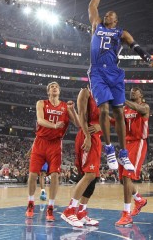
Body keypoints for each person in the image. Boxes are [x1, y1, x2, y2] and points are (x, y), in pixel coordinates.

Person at [88, 0, 153, 171]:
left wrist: (149, 60)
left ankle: (123, 153)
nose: (107, 15)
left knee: (119, 112)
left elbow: (136, 47)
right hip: (97, 72)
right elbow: (92, 6)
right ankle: (109, 149)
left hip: (114, 72)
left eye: (111, 14)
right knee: (104, 109)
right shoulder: (96, 25)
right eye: (106, 14)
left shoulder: (122, 33)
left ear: (116, 20)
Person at [25, 81, 80, 221]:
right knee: (32, 175)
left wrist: (72, 109)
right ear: (48, 92)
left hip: (55, 144)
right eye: (51, 87)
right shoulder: (41, 103)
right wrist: (55, 125)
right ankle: (31, 203)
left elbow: (78, 124)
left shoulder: (65, 107)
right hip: (40, 142)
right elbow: (40, 120)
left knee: (55, 175)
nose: (54, 88)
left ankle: (50, 207)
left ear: (59, 91)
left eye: (56, 87)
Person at [61, 86, 101, 228]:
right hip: (87, 136)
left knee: (93, 178)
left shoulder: (102, 95)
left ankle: (81, 213)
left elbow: (107, 119)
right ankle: (69, 210)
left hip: (97, 138)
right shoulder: (85, 92)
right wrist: (88, 136)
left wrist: (100, 126)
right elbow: (81, 120)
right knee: (88, 174)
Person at [115, 87, 149, 227]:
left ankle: (126, 214)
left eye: (136, 90)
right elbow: (117, 121)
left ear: (141, 94)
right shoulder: (125, 110)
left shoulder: (144, 106)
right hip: (126, 144)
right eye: (131, 90)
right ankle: (139, 199)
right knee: (123, 180)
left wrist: (123, 101)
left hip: (138, 142)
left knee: (128, 177)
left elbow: (139, 109)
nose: (132, 91)